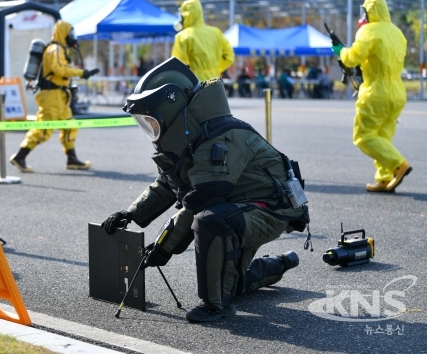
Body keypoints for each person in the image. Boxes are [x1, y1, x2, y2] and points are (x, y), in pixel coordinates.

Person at [100, 57, 310, 323]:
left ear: (172, 112)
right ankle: (281, 263)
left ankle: (216, 306)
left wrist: (163, 247)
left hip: (269, 211)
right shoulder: (195, 137)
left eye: (152, 121)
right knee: (231, 282)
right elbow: (168, 184)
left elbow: (199, 202)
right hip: (241, 207)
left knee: (211, 221)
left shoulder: (219, 139)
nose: (151, 129)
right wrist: (129, 214)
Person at [332, 0, 411, 192]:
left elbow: (351, 58)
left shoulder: (368, 31)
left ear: (369, 11)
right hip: (398, 91)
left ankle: (398, 163)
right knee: (382, 136)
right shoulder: (397, 33)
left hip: (377, 90)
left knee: (364, 136)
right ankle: (384, 178)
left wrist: (340, 50)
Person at [9, 20, 98, 172]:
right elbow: (59, 69)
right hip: (51, 96)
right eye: (70, 33)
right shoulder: (54, 49)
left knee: (70, 126)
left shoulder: (61, 50)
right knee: (43, 130)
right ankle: (20, 156)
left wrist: (79, 72)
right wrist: (81, 72)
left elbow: (64, 68)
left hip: (60, 96)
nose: (72, 37)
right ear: (63, 33)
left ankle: (72, 159)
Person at [171, 0, 235, 82]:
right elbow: (229, 57)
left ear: (184, 15)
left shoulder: (183, 36)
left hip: (194, 86)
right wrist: (215, 70)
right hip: (215, 84)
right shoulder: (216, 32)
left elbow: (177, 65)